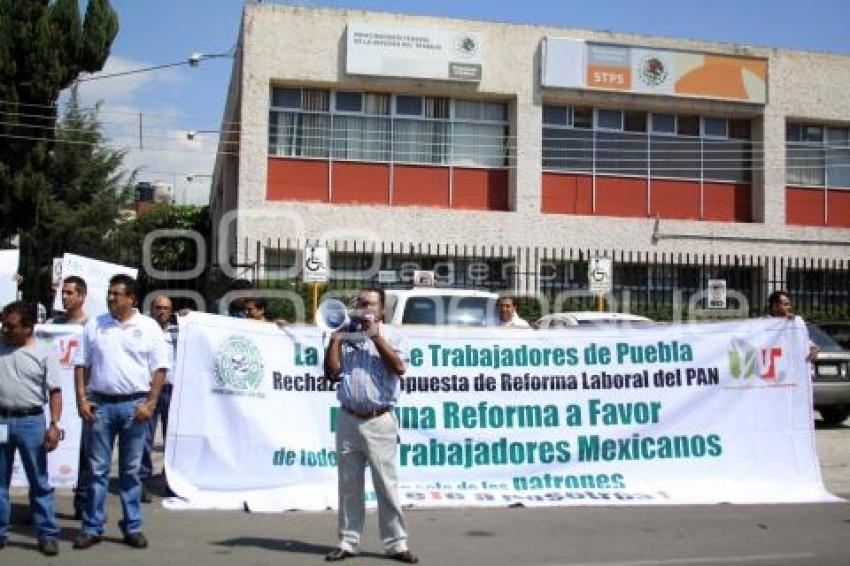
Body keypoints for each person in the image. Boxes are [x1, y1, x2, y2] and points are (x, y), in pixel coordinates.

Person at [72, 274, 170, 550]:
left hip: (134, 407)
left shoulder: (149, 327)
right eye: (109, 293)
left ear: (132, 299)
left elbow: (160, 369)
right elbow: (81, 365)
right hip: (101, 405)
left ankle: (132, 526)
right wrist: (82, 399)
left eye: (117, 294)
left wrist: (150, 403)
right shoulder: (96, 325)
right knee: (97, 470)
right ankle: (92, 526)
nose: (111, 298)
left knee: (130, 471)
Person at [323, 289, 418, 564]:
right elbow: (331, 373)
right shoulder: (346, 333)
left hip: (380, 419)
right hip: (348, 418)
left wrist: (375, 335)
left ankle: (396, 543)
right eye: (361, 303)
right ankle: (348, 541)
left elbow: (399, 367)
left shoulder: (396, 336)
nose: (363, 308)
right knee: (349, 484)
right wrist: (335, 340)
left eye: (370, 304)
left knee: (386, 485)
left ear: (381, 310)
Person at [0, 301, 63, 556]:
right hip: (1, 420)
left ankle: (47, 533)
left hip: (31, 422)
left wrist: (54, 425)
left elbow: (55, 393)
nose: (5, 330)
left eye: (11, 326)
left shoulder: (45, 352)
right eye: (4, 325)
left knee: (38, 480)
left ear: (28, 328)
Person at [48, 275, 91, 519]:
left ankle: (83, 505)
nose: (64, 297)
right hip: (56, 397)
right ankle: (43, 504)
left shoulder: (91, 326)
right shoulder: (53, 325)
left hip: (84, 398)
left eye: (70, 293)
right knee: (51, 450)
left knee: (85, 454)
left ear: (82, 296)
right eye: (63, 293)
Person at [140, 295, 179, 501]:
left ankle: (171, 481)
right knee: (145, 437)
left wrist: (190, 317)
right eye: (158, 307)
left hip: (172, 390)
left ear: (171, 311)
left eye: (166, 308)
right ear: (152, 309)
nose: (162, 311)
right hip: (149, 389)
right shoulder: (145, 330)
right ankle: (142, 481)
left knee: (171, 438)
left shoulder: (179, 331)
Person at [767, 290, 819, 361]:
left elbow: (804, 340)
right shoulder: (764, 325)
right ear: (775, 306)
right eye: (785, 304)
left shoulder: (794, 323)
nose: (789, 308)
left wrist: (813, 348)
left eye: (789, 304)